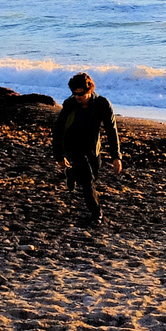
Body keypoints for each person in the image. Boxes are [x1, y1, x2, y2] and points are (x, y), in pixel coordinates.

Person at [51, 72, 122, 224]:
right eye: (74, 94)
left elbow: (111, 130)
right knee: (88, 180)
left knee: (93, 177)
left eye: (81, 93)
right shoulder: (70, 104)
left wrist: (116, 156)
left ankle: (72, 173)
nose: (78, 97)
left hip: (92, 147)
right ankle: (97, 214)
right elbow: (58, 129)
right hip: (73, 145)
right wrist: (59, 155)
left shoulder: (102, 104)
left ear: (89, 89)